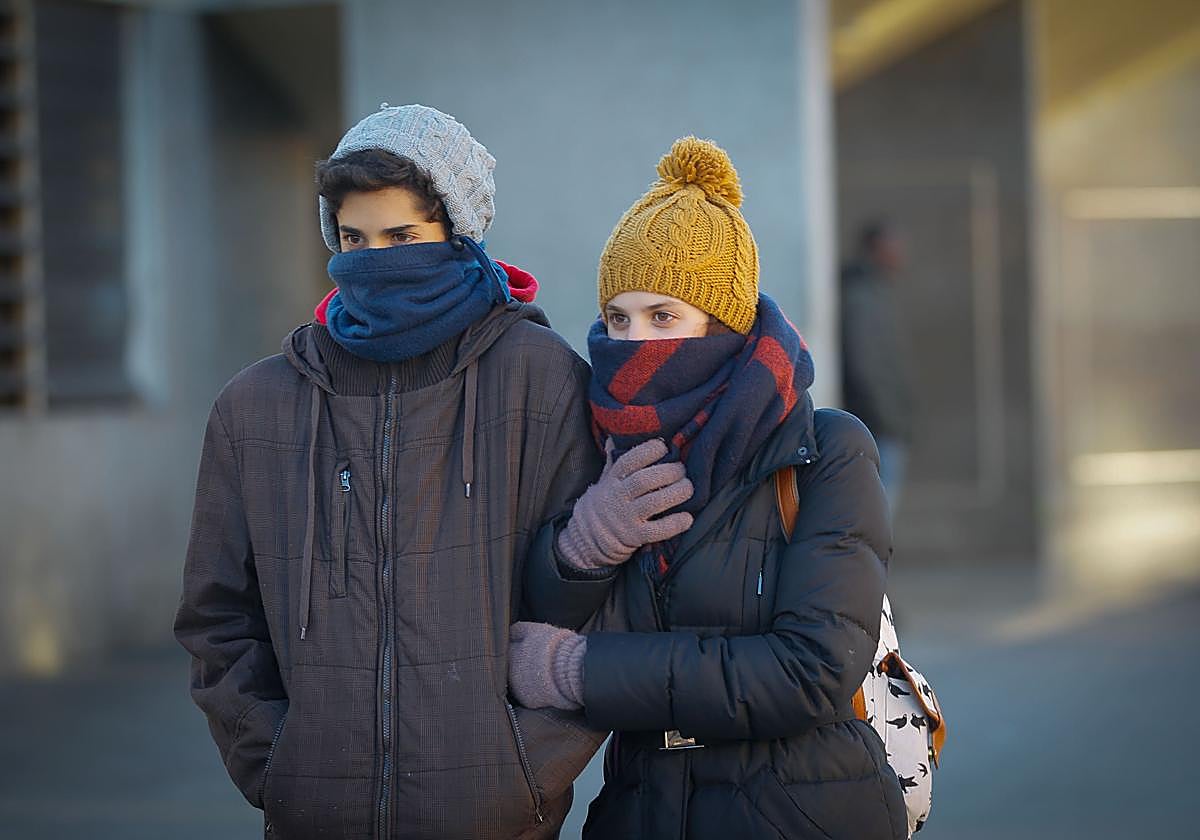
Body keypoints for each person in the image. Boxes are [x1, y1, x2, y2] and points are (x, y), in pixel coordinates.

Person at [174, 104, 671, 839]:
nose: (375, 259)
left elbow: (608, 604)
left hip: (497, 818)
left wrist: (525, 770)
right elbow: (218, 618)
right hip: (315, 818)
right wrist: (277, 763)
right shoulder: (257, 409)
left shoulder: (542, 384)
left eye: (402, 236)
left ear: (457, 232)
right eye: (353, 238)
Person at [511, 138, 908, 839]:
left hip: (801, 813)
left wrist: (580, 671)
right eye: (617, 319)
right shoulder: (602, 446)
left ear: (722, 325)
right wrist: (583, 547)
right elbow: (537, 619)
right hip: (641, 811)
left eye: (664, 317)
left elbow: (809, 671)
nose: (634, 343)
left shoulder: (825, 452)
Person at [839, 221, 915, 513]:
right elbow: (864, 364)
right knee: (875, 515)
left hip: (886, 422)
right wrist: (887, 417)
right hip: (876, 425)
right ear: (875, 248)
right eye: (893, 245)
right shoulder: (860, 294)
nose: (901, 253)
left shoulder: (878, 291)